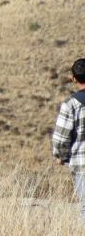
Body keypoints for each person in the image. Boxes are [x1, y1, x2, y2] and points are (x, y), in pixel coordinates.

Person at [51, 59, 85, 224]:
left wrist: (60, 155)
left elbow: (62, 136)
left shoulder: (71, 105)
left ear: (73, 78)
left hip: (82, 163)